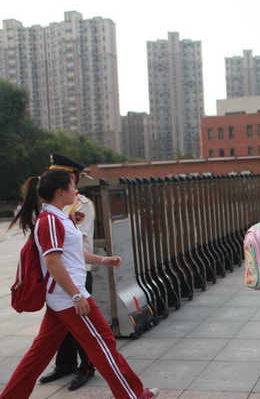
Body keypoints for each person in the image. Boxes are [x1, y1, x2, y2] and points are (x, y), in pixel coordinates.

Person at [1, 169, 158, 399]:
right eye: (72, 186)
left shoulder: (59, 217)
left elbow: (72, 253)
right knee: (104, 345)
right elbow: (52, 262)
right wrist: (76, 296)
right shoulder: (50, 220)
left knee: (38, 354)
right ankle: (133, 395)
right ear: (60, 191)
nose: (76, 190)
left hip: (64, 297)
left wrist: (103, 260)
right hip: (69, 297)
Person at [37, 154, 97, 391]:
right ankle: (65, 365)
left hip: (77, 272)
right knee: (61, 324)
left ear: (70, 178)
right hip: (57, 276)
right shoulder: (50, 208)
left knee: (83, 325)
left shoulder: (82, 204)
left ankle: (87, 366)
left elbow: (73, 244)